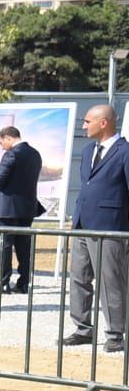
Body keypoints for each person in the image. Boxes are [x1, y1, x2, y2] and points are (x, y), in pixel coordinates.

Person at [64, 104, 129, 352]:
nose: (83, 126)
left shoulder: (125, 152)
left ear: (104, 123)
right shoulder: (90, 149)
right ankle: (83, 328)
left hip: (110, 226)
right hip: (83, 223)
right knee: (79, 277)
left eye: (87, 121)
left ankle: (115, 332)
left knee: (110, 280)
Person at [0, 126, 43, 296]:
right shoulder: (35, 154)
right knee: (24, 247)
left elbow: (0, 179)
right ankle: (24, 282)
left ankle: (3, 282)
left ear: (8, 138)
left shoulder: (11, 154)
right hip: (27, 207)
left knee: (3, 246)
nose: (1, 145)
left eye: (1, 141)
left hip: (7, 208)